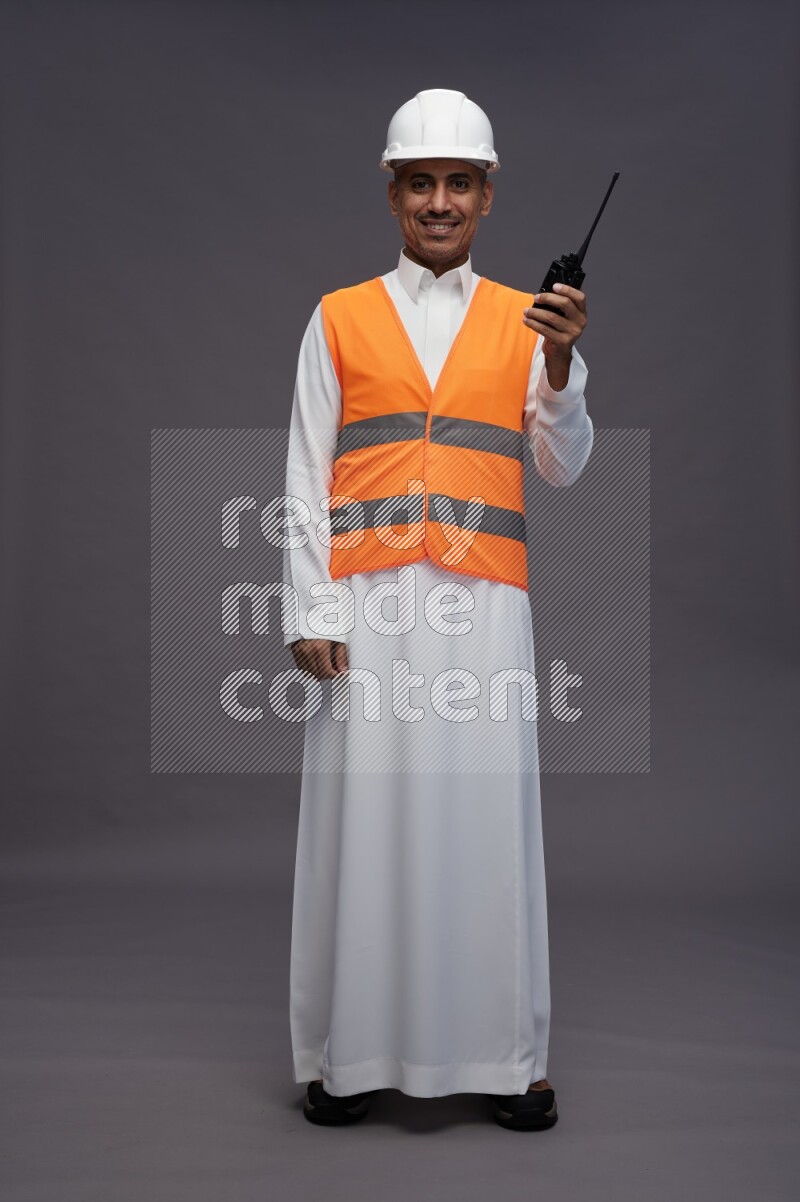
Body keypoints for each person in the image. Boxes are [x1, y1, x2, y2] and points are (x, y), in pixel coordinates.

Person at [282, 88, 593, 1130]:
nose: (439, 200)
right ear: (392, 192)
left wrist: (559, 364)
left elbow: (560, 464)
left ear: (488, 195)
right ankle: (348, 1053)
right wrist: (309, 608)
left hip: (481, 608)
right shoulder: (335, 315)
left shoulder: (530, 320)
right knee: (359, 821)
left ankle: (509, 1059)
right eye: (420, 181)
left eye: (459, 182)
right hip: (364, 607)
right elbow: (302, 472)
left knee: (485, 823)